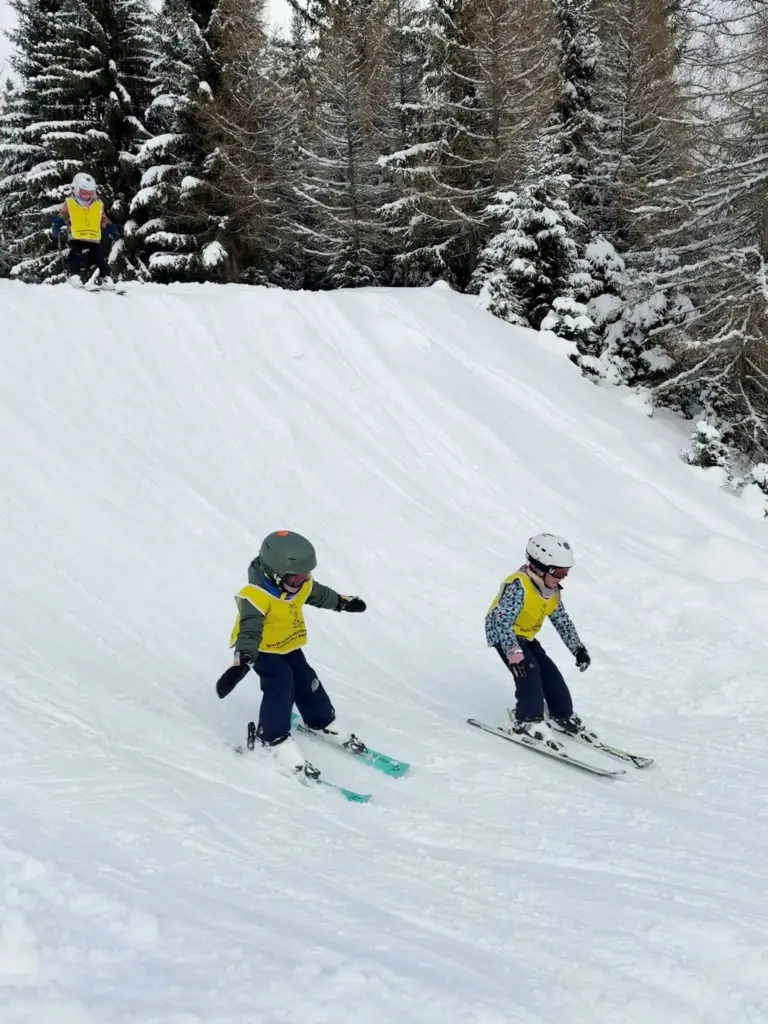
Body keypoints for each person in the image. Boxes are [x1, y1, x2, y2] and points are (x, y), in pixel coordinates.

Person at [216, 530, 367, 778]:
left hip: (287, 644)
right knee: (280, 682)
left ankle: (321, 721)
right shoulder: (255, 596)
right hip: (261, 650)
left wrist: (342, 602)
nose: (301, 583)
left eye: (304, 576)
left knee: (305, 678)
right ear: (274, 575)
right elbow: (250, 630)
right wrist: (241, 662)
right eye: (295, 579)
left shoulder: (301, 584)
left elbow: (318, 594)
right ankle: (272, 738)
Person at [485, 533, 593, 752]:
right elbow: (503, 622)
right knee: (529, 670)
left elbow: (562, 620)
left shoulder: (551, 591)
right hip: (504, 635)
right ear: (539, 566)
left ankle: (562, 715)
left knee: (550, 672)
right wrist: (514, 653)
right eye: (560, 572)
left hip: (525, 635)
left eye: (567, 572)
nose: (564, 578)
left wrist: (577, 649)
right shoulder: (519, 585)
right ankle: (526, 720)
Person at [51, 173, 119, 288]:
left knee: (98, 258)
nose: (87, 195)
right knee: (75, 255)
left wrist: (109, 227)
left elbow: (102, 218)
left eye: (90, 192)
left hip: (93, 237)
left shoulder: (98, 204)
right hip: (76, 235)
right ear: (76, 189)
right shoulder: (70, 202)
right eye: (84, 192)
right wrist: (58, 222)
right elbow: (63, 215)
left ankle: (105, 278)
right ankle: (74, 276)